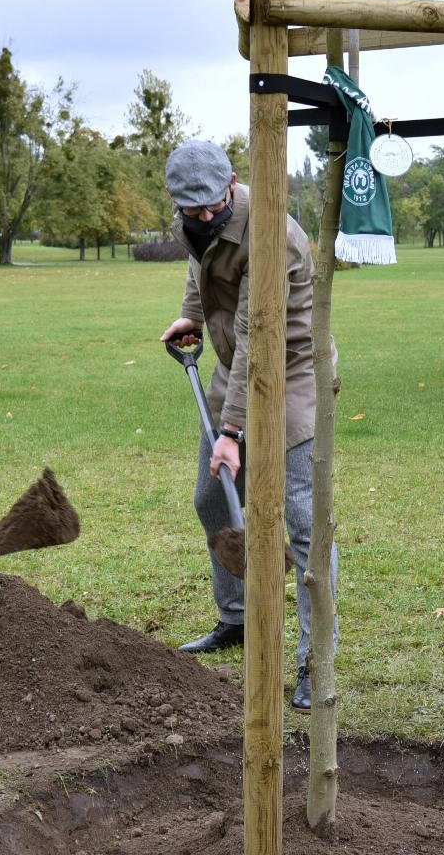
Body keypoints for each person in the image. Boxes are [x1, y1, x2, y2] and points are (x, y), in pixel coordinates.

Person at [158, 139, 337, 713]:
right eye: (192, 210)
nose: (204, 217)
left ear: (232, 182)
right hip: (232, 366)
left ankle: (316, 660)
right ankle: (236, 619)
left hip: (292, 374)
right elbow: (199, 266)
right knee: (213, 496)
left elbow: (260, 337)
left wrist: (232, 434)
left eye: (211, 206)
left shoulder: (272, 235)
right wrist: (190, 312)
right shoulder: (195, 220)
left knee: (303, 521)